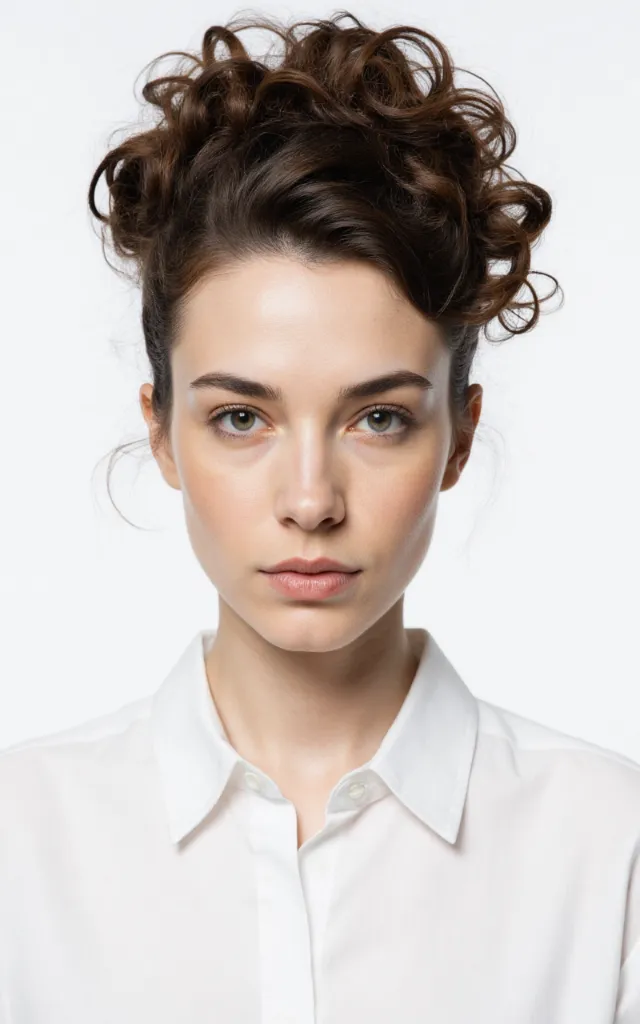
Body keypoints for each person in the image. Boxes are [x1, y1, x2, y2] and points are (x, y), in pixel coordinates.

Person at [1, 10, 638, 1023]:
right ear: (161, 432)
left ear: (458, 437)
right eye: (241, 417)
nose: (310, 500)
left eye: (377, 417)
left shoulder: (610, 852)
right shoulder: (19, 850)